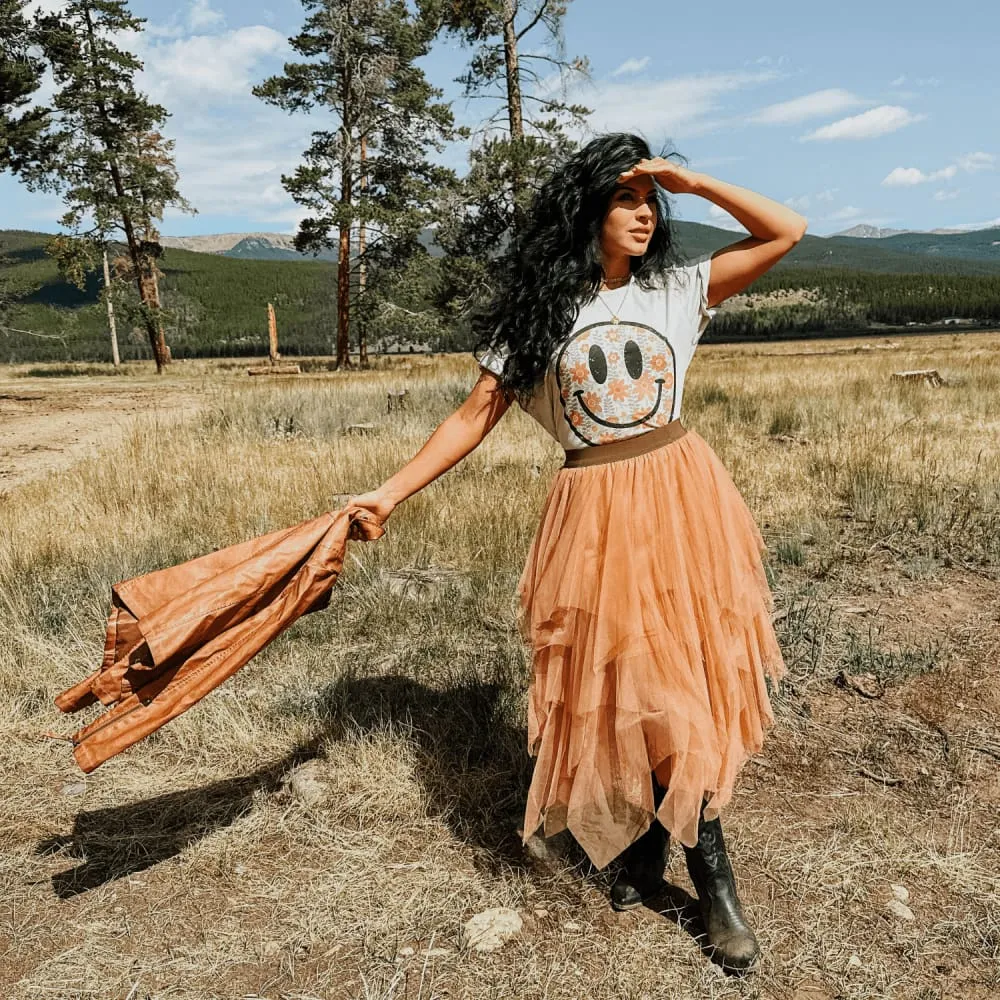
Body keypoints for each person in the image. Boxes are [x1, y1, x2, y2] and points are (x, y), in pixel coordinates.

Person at [345, 132, 805, 973]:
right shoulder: (541, 314)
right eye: (625, 198)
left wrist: (689, 179)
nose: (643, 214)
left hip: (683, 498)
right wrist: (389, 492)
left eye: (649, 201)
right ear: (587, 209)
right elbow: (471, 417)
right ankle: (644, 847)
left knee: (679, 682)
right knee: (631, 683)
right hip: (595, 513)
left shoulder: (676, 288)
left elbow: (786, 231)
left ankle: (712, 883)